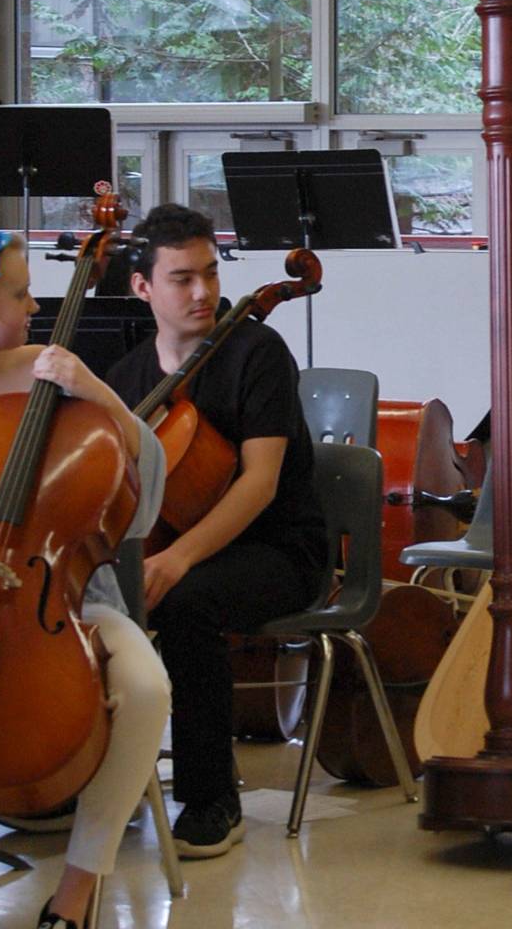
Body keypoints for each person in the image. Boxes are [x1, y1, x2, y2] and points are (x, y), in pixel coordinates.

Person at [0, 226, 170, 929]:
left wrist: (101, 396)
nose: (35, 307)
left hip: (62, 596)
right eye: (19, 294)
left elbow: (143, 502)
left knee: (145, 688)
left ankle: (77, 894)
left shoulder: (49, 373)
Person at [106, 204, 327, 859]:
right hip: (183, 545)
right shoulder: (126, 380)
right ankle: (75, 779)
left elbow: (258, 484)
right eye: (182, 278)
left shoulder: (257, 353)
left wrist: (175, 560)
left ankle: (209, 799)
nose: (203, 292)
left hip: (282, 549)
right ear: (142, 287)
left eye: (209, 273)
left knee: (185, 601)